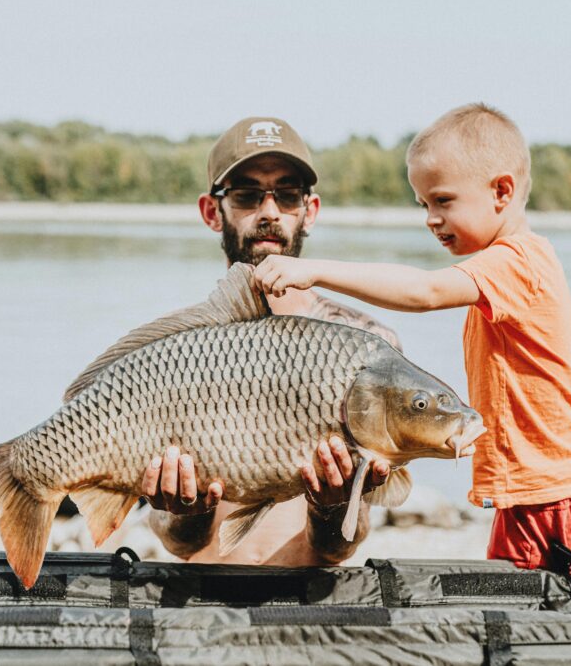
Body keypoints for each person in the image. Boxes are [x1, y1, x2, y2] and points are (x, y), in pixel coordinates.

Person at [251, 104, 571, 571]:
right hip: (536, 492)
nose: (430, 219)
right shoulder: (506, 266)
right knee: (518, 612)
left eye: (443, 201)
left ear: (501, 191)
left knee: (538, 622)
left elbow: (425, 290)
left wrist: (314, 271)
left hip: (553, 493)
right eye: (424, 205)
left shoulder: (518, 261)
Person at [141, 116, 401, 565]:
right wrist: (187, 513)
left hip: (312, 593)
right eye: (246, 195)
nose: (269, 211)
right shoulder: (176, 350)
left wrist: (331, 507)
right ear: (211, 211)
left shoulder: (368, 344)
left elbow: (340, 546)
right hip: (203, 592)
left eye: (287, 195)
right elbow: (179, 544)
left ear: (309, 211)